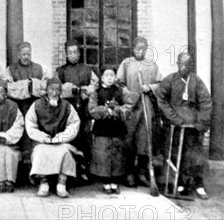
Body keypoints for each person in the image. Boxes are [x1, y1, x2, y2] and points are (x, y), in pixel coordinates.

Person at [156, 52, 212, 200]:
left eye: (187, 65)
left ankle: (198, 184)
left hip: (193, 126)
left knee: (195, 155)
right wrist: (173, 118)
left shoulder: (197, 81)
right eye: (181, 65)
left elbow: (206, 102)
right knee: (175, 154)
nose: (184, 68)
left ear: (192, 66)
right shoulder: (170, 80)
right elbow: (161, 99)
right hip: (175, 125)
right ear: (177, 65)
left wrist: (201, 121)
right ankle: (179, 182)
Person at [116, 36, 163, 187]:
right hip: (130, 106)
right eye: (137, 48)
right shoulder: (126, 63)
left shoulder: (152, 65)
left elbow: (160, 84)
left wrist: (150, 88)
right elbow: (118, 83)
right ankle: (128, 172)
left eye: (143, 48)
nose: (140, 51)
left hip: (146, 107)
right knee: (129, 138)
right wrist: (128, 94)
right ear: (133, 48)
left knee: (144, 138)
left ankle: (142, 172)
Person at [26, 77, 81, 198]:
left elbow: (74, 124)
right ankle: (43, 182)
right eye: (51, 90)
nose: (54, 93)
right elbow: (30, 125)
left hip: (61, 141)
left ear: (61, 92)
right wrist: (42, 137)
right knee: (40, 151)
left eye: (58, 90)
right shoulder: (36, 105)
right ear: (46, 90)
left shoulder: (67, 106)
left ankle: (62, 183)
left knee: (65, 152)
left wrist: (61, 137)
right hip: (42, 141)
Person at [89, 66, 139, 195]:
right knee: (104, 155)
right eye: (107, 76)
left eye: (112, 75)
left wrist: (118, 110)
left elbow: (129, 106)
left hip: (117, 128)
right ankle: (106, 182)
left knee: (117, 154)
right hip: (103, 128)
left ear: (115, 77)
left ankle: (115, 182)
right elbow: (92, 109)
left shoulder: (122, 91)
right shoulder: (96, 92)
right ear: (102, 78)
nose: (110, 78)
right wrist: (105, 110)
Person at [55, 39, 99, 181]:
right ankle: (67, 171)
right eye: (70, 53)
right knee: (69, 137)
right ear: (66, 55)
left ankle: (84, 170)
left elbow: (95, 85)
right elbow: (56, 88)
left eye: (76, 52)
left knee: (84, 138)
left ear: (79, 54)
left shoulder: (87, 70)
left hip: (84, 110)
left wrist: (86, 91)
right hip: (67, 111)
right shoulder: (61, 71)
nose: (73, 55)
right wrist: (70, 90)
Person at [5, 41, 48, 181]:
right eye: (23, 54)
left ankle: (35, 171)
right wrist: (27, 87)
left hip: (36, 107)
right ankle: (18, 174)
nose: (26, 57)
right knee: (19, 136)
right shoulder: (11, 69)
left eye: (28, 54)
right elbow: (8, 87)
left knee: (33, 136)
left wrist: (33, 86)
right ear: (18, 55)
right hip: (17, 107)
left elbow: (46, 85)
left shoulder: (39, 68)